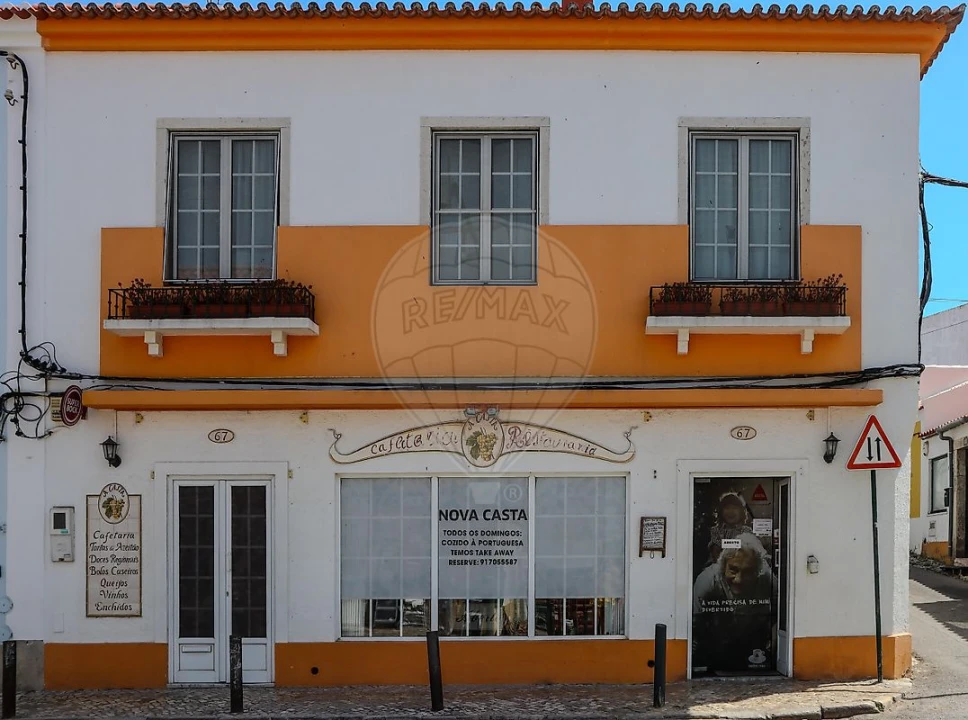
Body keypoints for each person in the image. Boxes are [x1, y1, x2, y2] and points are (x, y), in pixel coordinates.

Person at [692, 532, 777, 674]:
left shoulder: (768, 580)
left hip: (755, 649)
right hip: (716, 646)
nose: (739, 579)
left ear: (758, 571)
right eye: (733, 569)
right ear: (723, 565)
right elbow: (694, 625)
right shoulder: (707, 581)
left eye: (748, 572)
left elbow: (779, 615)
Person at [707, 492, 753, 565]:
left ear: (741, 512)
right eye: (727, 508)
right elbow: (716, 553)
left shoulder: (746, 531)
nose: (731, 512)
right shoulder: (716, 531)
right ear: (721, 511)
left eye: (734, 508)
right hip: (719, 567)